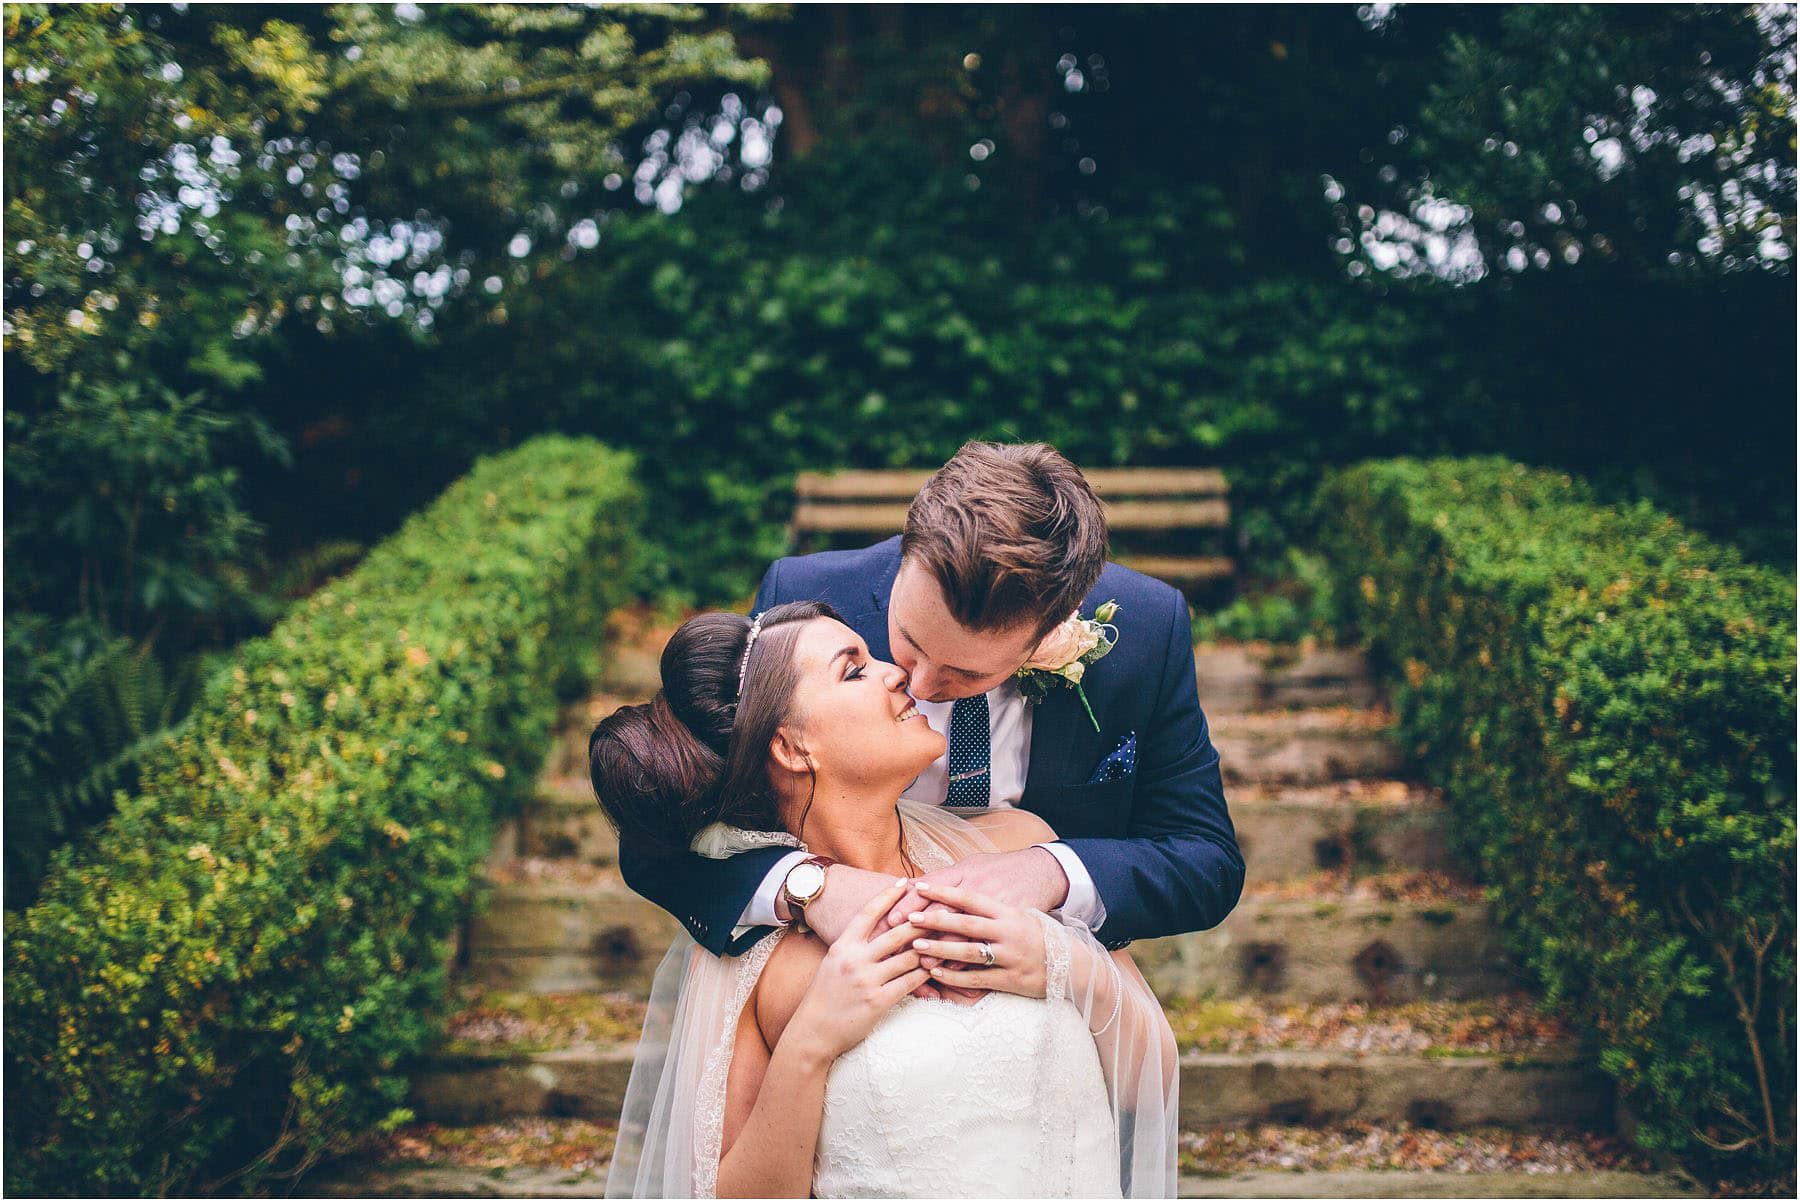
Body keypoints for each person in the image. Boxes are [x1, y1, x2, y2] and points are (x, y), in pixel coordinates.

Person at [591, 602, 1177, 1197]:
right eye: (853, 670)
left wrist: (1063, 962)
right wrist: (812, 1040)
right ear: (792, 747)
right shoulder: (753, 951)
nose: (896, 672)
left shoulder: (1018, 848)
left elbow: (1149, 1079)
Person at [618, 441, 1243, 978]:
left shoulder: (1147, 630)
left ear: (1051, 627)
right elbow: (659, 835)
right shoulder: (803, 607)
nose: (915, 682)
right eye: (909, 639)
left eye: (968, 672)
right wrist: (805, 888)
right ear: (908, 555)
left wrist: (1053, 873)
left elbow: (1205, 857)